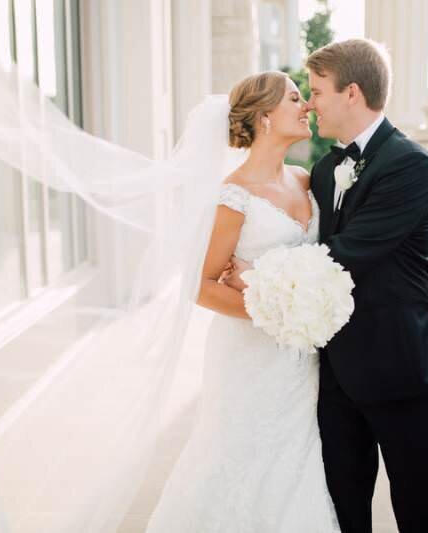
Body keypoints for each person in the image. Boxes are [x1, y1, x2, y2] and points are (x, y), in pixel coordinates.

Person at [224, 39, 428, 533]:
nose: (310, 102)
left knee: (419, 503)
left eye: (315, 91)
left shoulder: (408, 164)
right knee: (342, 506)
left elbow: (345, 254)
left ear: (351, 93)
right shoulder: (321, 169)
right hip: (332, 373)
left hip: (398, 364)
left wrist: (256, 275)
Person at [145, 70, 340, 533]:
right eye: (295, 98)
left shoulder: (305, 180)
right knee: (237, 454)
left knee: (295, 460)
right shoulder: (233, 196)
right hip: (248, 357)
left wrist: (298, 306)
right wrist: (276, 310)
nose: (307, 106)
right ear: (266, 117)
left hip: (300, 359)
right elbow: (201, 284)